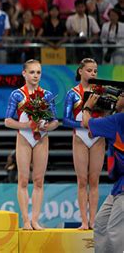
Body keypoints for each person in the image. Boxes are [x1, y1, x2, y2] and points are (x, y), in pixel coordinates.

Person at [5, 59, 59, 230]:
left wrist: (47, 126)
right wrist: (25, 125)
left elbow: (55, 121)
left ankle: (35, 219)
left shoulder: (47, 95)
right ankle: (26, 220)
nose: (35, 75)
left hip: (41, 138)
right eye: (32, 72)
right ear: (24, 73)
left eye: (38, 72)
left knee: (38, 180)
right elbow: (7, 121)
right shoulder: (17, 94)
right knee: (23, 180)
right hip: (24, 138)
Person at [63, 58, 105, 229]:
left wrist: (102, 121)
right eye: (89, 70)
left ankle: (93, 221)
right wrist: (80, 124)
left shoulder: (100, 92)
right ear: (80, 71)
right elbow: (65, 120)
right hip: (80, 137)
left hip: (97, 137)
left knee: (94, 181)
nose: (93, 73)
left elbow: (109, 111)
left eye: (95, 71)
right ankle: (84, 221)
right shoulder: (72, 93)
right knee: (82, 181)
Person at [82, 94, 124, 253]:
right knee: (100, 223)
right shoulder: (116, 120)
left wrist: (88, 105)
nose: (116, 99)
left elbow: (87, 123)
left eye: (120, 96)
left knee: (114, 231)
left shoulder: (119, 119)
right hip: (118, 186)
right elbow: (96, 132)